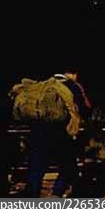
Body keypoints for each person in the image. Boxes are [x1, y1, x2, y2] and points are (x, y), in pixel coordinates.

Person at [22, 64, 91, 197]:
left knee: (36, 166)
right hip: (61, 132)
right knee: (67, 165)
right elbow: (85, 108)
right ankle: (57, 193)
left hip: (38, 130)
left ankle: (31, 196)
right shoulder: (72, 86)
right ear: (74, 74)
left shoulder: (44, 85)